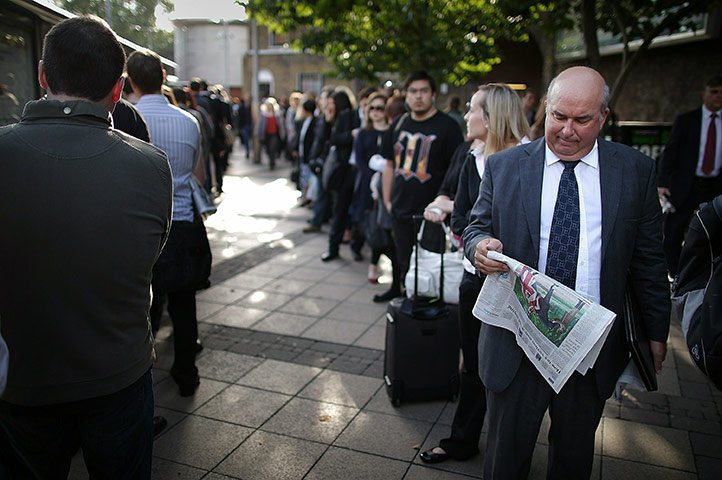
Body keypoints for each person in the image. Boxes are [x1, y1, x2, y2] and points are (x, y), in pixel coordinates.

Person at [462, 66, 670, 479]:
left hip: (590, 345)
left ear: (604, 117)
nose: (568, 130)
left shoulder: (634, 172)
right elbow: (475, 226)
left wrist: (656, 332)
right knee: (505, 459)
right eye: (559, 116)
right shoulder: (505, 166)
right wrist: (480, 247)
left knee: (573, 461)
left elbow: (649, 260)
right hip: (516, 340)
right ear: (545, 109)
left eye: (582, 120)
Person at [0, 16, 172, 478]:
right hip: (119, 374)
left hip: (23, 380)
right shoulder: (152, 167)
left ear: (41, 75)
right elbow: (149, 255)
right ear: (118, 89)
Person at [420, 84, 530, 464]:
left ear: (493, 116)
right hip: (474, 277)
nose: (465, 116)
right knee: (473, 364)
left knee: (515, 372)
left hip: (517, 284)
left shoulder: (532, 159)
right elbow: (464, 215)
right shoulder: (473, 157)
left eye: (473, 109)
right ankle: (463, 440)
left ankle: (512, 447)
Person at [127, 49, 209, 398]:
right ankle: (186, 373)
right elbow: (197, 174)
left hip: (142, 226)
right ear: (163, 77)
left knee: (144, 306)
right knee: (184, 303)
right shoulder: (189, 121)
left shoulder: (125, 120)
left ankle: (140, 377)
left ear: (130, 81)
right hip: (184, 221)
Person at [378, 70, 464, 302]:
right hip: (400, 207)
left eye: (424, 91)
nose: (418, 96)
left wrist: (443, 207)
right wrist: (387, 200)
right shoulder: (397, 124)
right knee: (401, 258)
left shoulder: (448, 127)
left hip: (432, 214)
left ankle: (424, 307)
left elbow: (455, 172)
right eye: (413, 91)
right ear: (405, 95)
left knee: (429, 267)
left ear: (433, 94)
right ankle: (400, 294)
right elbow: (388, 165)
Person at [658, 75, 722, 276]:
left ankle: (710, 273)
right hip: (688, 183)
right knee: (674, 229)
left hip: (716, 184)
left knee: (716, 229)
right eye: (714, 92)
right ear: (704, 95)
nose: (718, 96)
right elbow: (671, 152)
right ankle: (675, 273)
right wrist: (663, 182)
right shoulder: (687, 121)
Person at [352, 92, 390, 282]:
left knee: (382, 225)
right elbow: (359, 161)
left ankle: (374, 264)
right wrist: (373, 177)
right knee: (369, 223)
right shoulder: (363, 133)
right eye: (372, 108)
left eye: (380, 108)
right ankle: (367, 256)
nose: (375, 112)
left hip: (388, 186)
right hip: (366, 186)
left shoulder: (391, 132)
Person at [321, 89, 362, 261]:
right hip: (344, 170)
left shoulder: (352, 116)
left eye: (332, 103)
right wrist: (350, 134)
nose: (329, 106)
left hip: (358, 170)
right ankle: (334, 247)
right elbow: (332, 138)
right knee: (340, 210)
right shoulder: (339, 118)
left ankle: (355, 247)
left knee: (357, 211)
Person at [294, 99, 318, 206]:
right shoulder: (303, 121)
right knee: (303, 176)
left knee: (309, 177)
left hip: (309, 154)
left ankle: (309, 198)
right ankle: (305, 196)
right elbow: (300, 137)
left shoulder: (315, 122)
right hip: (302, 153)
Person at [255, 97, 286, 170]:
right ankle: (271, 160)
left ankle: (272, 162)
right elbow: (260, 124)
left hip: (274, 134)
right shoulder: (264, 114)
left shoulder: (277, 114)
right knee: (268, 149)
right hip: (266, 134)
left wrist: (283, 134)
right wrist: (257, 132)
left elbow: (281, 125)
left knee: (273, 148)